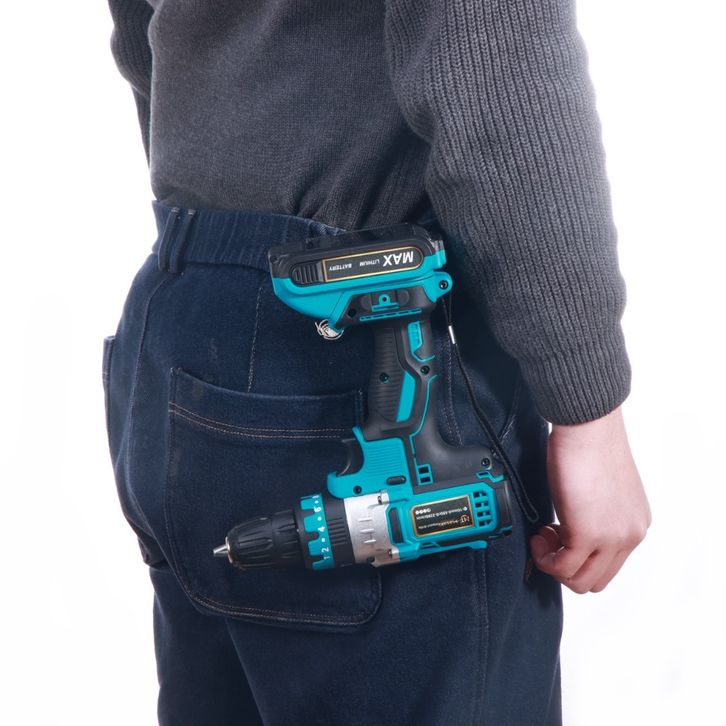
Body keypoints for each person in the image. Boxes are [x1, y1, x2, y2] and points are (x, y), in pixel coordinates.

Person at [102, 1, 651, 724]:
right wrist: (587, 404)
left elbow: (143, 38)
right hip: (358, 348)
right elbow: (491, 61)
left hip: (182, 318)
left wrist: (220, 242)